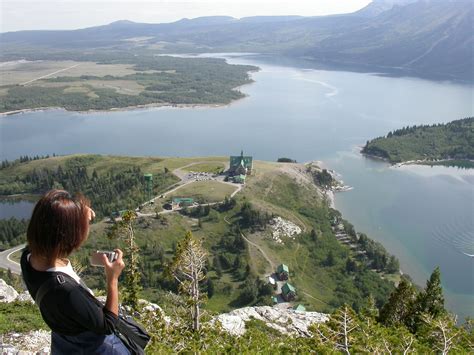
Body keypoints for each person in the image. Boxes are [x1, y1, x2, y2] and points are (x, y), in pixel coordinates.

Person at [21, 189, 130, 354]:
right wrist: (112, 279)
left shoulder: (28, 256)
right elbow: (107, 325)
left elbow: (51, 219)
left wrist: (79, 211)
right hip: (89, 347)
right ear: (70, 235)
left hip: (63, 340)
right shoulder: (67, 290)